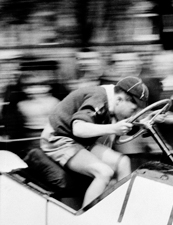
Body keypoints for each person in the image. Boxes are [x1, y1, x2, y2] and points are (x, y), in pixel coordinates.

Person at [40, 76, 149, 207]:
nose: (133, 115)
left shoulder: (113, 100)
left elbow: (125, 124)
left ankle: (121, 209)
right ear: (120, 99)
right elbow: (78, 128)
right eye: (133, 110)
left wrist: (142, 123)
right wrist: (113, 128)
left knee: (123, 162)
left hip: (80, 141)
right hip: (58, 139)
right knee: (103, 172)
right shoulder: (99, 98)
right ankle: (86, 218)